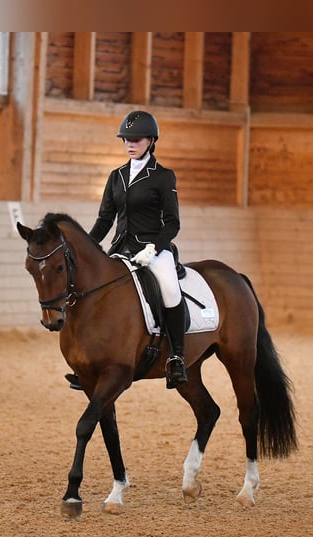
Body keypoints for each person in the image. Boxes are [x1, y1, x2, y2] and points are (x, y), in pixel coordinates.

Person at [66, 110, 187, 391]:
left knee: (169, 288)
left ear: (151, 140)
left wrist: (154, 248)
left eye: (136, 139)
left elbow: (172, 223)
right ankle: (88, 362)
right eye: (126, 140)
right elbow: (105, 220)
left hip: (154, 250)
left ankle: (178, 358)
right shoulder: (116, 176)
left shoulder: (163, 177)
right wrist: (84, 247)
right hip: (121, 249)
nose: (130, 144)